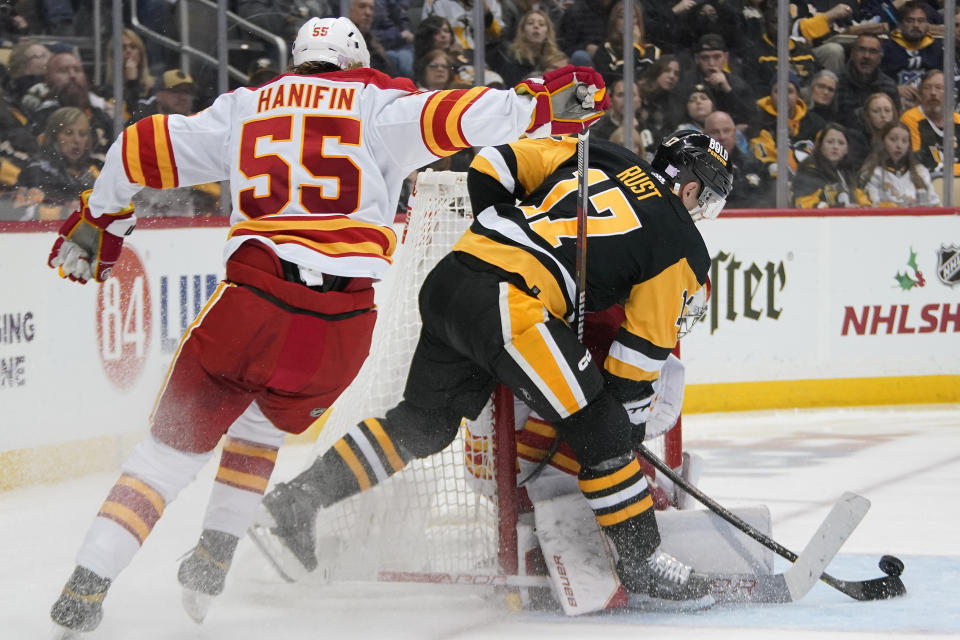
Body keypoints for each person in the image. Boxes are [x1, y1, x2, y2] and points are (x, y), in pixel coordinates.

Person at [46, 16, 609, 636]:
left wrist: (103, 217)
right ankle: (214, 557)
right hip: (339, 330)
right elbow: (465, 115)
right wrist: (539, 101)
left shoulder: (246, 106)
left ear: (299, 58)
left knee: (164, 459)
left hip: (251, 303)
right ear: (355, 57)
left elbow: (137, 147)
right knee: (260, 434)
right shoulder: (379, 104)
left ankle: (86, 586)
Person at [250, 130, 732, 606]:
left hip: (455, 274)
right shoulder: (681, 244)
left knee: (424, 423)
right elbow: (635, 365)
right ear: (689, 187)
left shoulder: (601, 154)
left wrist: (499, 236)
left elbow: (490, 164)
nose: (700, 209)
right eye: (705, 197)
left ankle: (296, 502)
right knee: (603, 426)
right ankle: (642, 561)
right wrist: (625, 436)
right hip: (508, 303)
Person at [14, 106, 99, 220]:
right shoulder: (36, 171)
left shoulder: (93, 173)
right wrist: (66, 212)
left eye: (83, 134)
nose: (77, 140)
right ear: (53, 137)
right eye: (69, 133)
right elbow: (19, 212)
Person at [28, 52, 114, 162]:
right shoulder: (44, 115)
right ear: (48, 79)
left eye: (77, 70)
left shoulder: (100, 115)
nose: (72, 76)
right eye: (63, 71)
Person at [748, 72, 825, 178]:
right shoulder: (759, 122)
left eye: (789, 91)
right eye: (778, 91)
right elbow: (764, 158)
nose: (783, 96)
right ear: (770, 95)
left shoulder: (815, 122)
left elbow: (824, 154)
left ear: (798, 95)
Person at [677, 33, 755, 126]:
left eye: (717, 57)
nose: (711, 63)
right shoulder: (684, 82)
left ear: (726, 58)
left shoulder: (738, 85)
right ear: (697, 59)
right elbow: (676, 116)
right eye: (705, 58)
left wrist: (727, 89)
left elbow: (751, 118)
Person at [859, 120, 940, 207]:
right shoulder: (871, 172)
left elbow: (934, 204)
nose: (899, 145)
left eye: (904, 141)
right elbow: (870, 206)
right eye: (893, 139)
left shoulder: (920, 172)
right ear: (882, 142)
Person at [880, 0, 942, 110]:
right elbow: (874, 81)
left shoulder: (938, 50)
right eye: (910, 21)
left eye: (921, 21)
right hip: (894, 105)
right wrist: (895, 89)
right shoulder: (886, 49)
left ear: (928, 25)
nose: (916, 25)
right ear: (900, 24)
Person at [792, 123, 871, 208]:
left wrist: (866, 207)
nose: (835, 147)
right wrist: (841, 209)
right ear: (820, 145)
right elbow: (805, 204)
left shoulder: (847, 172)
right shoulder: (808, 172)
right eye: (830, 142)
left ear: (847, 149)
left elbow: (861, 198)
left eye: (841, 143)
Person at [705, 110, 773, 208]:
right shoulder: (696, 168)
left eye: (727, 131)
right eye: (715, 132)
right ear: (705, 136)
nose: (722, 137)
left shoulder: (753, 164)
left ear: (735, 134)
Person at [900, 70, 960, 179]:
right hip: (926, 182)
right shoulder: (910, 119)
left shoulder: (958, 121)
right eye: (927, 88)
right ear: (920, 93)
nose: (933, 93)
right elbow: (917, 162)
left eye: (939, 87)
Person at [836, 34, 901, 130]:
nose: (866, 56)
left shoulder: (889, 86)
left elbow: (894, 124)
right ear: (852, 54)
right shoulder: (836, 83)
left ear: (880, 58)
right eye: (861, 50)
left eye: (873, 51)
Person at [490, 8, 568, 86]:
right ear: (523, 31)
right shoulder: (511, 58)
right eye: (530, 23)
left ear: (547, 32)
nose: (536, 26)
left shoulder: (557, 61)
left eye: (541, 24)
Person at [592, 1, 661, 85]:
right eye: (622, 17)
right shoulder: (605, 49)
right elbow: (616, 79)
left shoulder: (652, 50)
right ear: (614, 21)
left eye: (633, 17)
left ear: (639, 21)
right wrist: (634, 47)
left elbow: (652, 82)